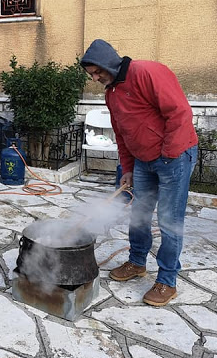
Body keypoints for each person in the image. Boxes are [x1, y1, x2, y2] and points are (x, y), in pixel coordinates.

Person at [80, 39, 198, 307]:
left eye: (97, 71)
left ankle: (167, 281)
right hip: (144, 161)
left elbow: (179, 113)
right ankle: (137, 263)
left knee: (169, 220)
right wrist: (129, 168)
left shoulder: (146, 72)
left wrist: (168, 154)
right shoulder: (111, 93)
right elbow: (122, 134)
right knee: (139, 215)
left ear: (109, 61)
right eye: (91, 75)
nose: (96, 78)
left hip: (175, 157)